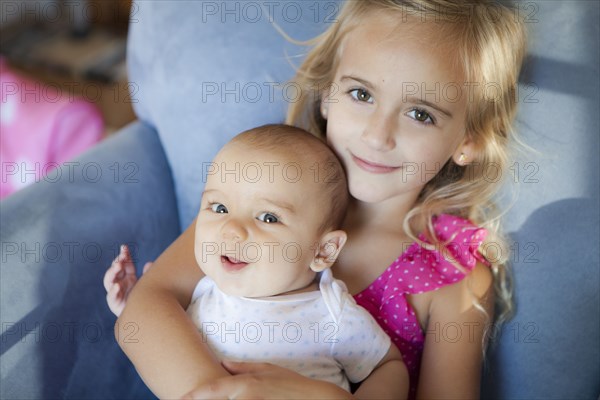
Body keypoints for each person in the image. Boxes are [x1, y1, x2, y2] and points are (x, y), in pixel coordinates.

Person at [112, 1, 527, 398]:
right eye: (362, 94)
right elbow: (145, 309)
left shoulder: (450, 272)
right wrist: (226, 394)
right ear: (328, 92)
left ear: (468, 141)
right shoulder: (262, 187)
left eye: (420, 114)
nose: (377, 135)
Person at [105, 124, 408, 398]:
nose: (232, 229)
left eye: (268, 217)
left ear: (323, 251)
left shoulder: (331, 315)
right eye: (219, 207)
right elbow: (156, 332)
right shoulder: (201, 293)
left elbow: (389, 366)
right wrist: (131, 302)